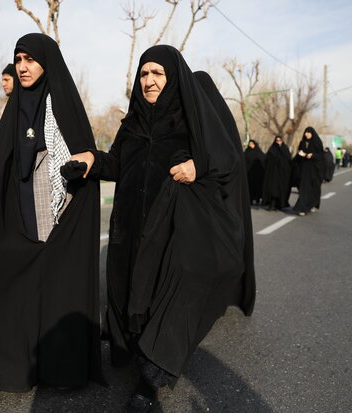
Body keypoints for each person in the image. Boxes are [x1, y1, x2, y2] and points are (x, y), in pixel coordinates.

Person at [71, 46, 255, 412]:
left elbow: (227, 160)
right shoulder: (134, 122)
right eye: (144, 74)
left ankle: (149, 382)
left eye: (158, 74)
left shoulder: (190, 121)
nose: (150, 81)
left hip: (172, 230)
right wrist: (93, 160)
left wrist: (196, 167)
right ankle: (134, 353)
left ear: (172, 78)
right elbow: (118, 164)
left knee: (163, 299)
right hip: (128, 227)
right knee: (130, 292)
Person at [0, 33, 103, 398]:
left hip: (55, 205)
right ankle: (11, 364)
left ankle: (60, 365)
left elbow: (82, 154)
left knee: (54, 285)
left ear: (46, 62)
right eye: (18, 58)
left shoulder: (63, 101)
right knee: (5, 276)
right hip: (17, 207)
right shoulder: (16, 105)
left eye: (30, 59)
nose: (22, 67)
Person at [292, 126, 324, 216]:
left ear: (312, 134)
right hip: (304, 169)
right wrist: (300, 154)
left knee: (314, 188)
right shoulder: (302, 142)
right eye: (305, 132)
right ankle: (303, 208)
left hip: (315, 170)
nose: (306, 134)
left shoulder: (317, 142)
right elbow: (299, 152)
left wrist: (312, 155)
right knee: (304, 188)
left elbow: (321, 156)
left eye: (308, 133)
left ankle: (312, 204)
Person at [261, 135, 292, 210]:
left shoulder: (285, 149)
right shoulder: (272, 149)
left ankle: (281, 204)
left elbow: (288, 160)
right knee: (273, 189)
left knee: (281, 189)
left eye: (279, 140)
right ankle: (272, 204)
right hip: (273, 174)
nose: (278, 142)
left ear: (282, 141)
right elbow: (267, 159)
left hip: (282, 174)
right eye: (277, 140)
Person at [244, 139, 266, 204]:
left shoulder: (259, 152)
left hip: (257, 174)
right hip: (248, 173)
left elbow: (263, 161)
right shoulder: (246, 152)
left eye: (252, 144)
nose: (250, 145)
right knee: (249, 187)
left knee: (257, 187)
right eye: (249, 144)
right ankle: (250, 199)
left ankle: (257, 199)